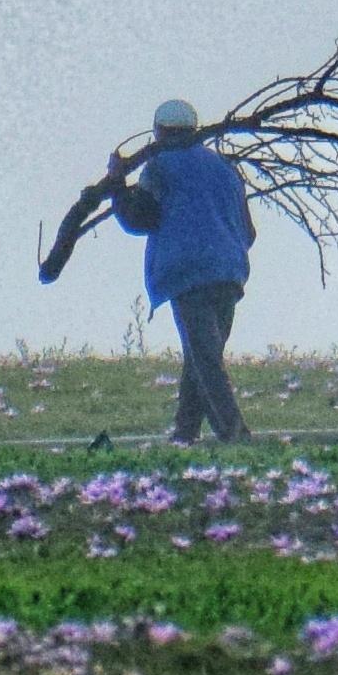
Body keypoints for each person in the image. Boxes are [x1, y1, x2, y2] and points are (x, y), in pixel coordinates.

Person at [114, 97, 253, 443]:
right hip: (229, 272)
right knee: (201, 357)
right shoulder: (226, 168)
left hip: (188, 275)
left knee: (205, 361)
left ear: (158, 132)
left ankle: (235, 436)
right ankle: (184, 434)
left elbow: (139, 219)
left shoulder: (159, 167)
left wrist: (117, 185)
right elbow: (248, 232)